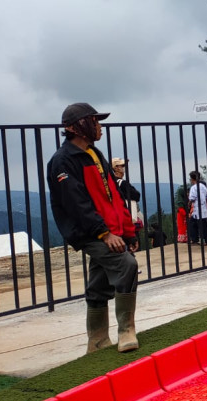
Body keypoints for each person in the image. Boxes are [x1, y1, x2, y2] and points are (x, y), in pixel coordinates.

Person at [47, 103, 140, 353]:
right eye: (95, 121)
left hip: (110, 230)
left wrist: (128, 231)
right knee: (126, 265)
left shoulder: (94, 154)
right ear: (78, 126)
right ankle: (126, 330)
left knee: (99, 282)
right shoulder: (62, 161)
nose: (100, 127)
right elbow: (76, 204)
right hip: (91, 233)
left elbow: (113, 195)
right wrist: (104, 233)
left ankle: (97, 341)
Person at [111, 158, 142, 231]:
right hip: (125, 216)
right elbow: (136, 195)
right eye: (122, 166)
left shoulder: (111, 182)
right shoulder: (123, 183)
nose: (124, 168)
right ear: (116, 168)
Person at [187, 171, 207, 246]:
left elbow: (192, 198)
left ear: (192, 179)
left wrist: (189, 204)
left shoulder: (193, 187)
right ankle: (198, 239)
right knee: (197, 224)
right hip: (203, 208)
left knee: (199, 225)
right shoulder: (203, 186)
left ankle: (204, 240)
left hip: (197, 209)